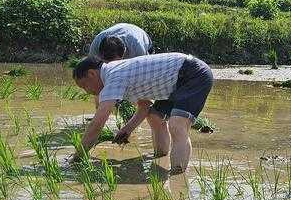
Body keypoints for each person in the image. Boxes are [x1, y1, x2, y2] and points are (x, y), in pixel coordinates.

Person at [71, 52, 214, 173]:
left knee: (177, 125)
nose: (88, 91)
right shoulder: (117, 72)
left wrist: (76, 158)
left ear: (91, 74)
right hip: (174, 83)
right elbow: (145, 106)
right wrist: (127, 129)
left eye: (84, 86)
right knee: (154, 116)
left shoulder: (113, 77)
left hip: (193, 74)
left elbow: (97, 124)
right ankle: (160, 157)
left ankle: (178, 175)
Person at [89, 23, 153, 62]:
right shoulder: (96, 44)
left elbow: (142, 69)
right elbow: (92, 67)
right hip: (123, 29)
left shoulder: (138, 48)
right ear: (101, 55)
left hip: (139, 35)